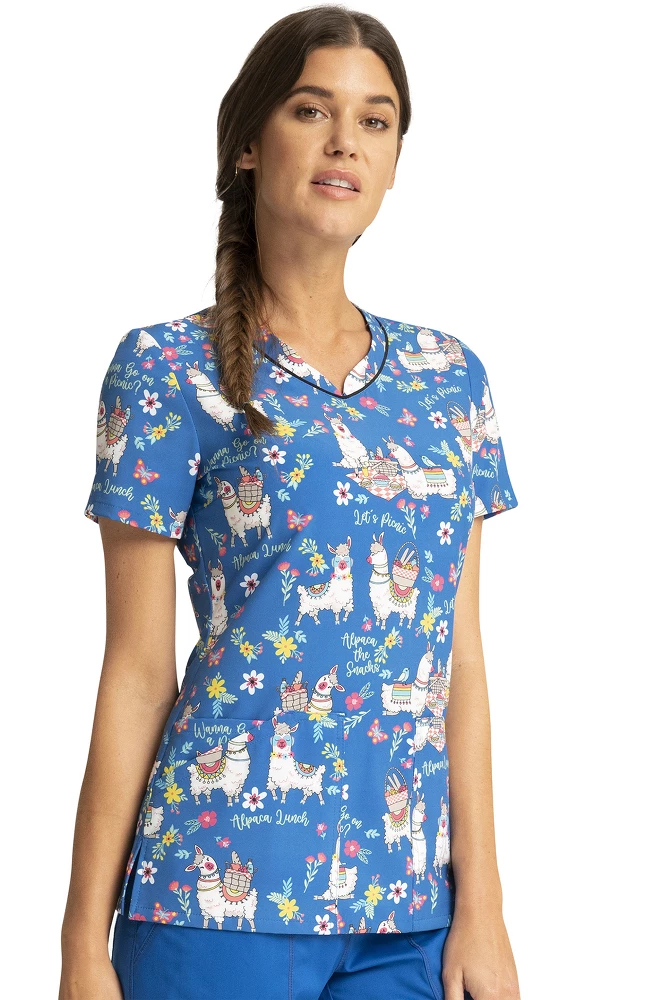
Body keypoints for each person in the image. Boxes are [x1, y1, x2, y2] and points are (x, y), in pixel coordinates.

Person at [59, 6, 521, 1000]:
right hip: (212, 902)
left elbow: (461, 666)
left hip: (408, 915)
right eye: (311, 110)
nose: (344, 140)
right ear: (246, 144)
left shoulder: (449, 379)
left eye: (375, 120)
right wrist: (80, 946)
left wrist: (481, 906)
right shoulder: (164, 368)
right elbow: (136, 672)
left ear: (393, 163)